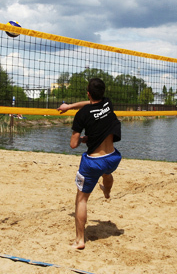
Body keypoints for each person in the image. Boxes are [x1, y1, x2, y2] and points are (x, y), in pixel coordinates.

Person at [57, 78, 122, 250]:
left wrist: (80, 138)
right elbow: (92, 104)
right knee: (107, 173)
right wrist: (70, 106)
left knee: (81, 200)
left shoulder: (83, 114)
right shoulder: (108, 104)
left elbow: (73, 144)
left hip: (93, 162)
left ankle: (79, 241)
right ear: (103, 92)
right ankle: (107, 191)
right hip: (113, 158)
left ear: (88, 93)